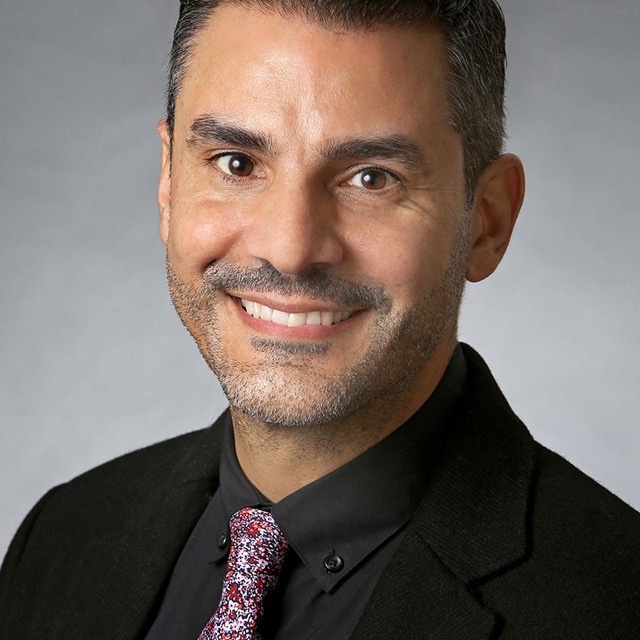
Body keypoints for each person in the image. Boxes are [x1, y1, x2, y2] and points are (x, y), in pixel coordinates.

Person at [1, 0, 639, 638]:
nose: (290, 248)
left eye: (371, 178)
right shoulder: (60, 540)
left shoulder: (611, 604)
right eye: (236, 163)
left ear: (488, 221)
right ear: (170, 179)